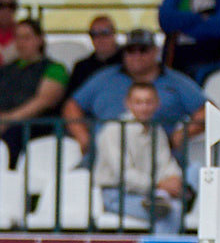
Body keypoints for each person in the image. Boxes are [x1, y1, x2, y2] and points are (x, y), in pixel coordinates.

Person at [63, 28, 204, 155]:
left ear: (155, 51)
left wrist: (181, 135)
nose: (137, 55)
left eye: (143, 49)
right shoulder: (104, 77)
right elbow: (72, 105)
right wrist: (83, 137)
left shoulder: (176, 81)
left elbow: (206, 111)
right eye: (131, 50)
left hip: (157, 155)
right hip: (105, 154)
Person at [0, 17, 68, 164]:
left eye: (26, 38)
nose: (21, 43)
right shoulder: (1, 70)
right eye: (18, 38)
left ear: (39, 40)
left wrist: (9, 119)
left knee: (13, 135)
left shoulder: (55, 69)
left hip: (30, 127)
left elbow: (43, 100)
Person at [92, 81, 185, 235]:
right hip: (116, 194)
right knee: (169, 211)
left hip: (149, 193)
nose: (144, 107)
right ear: (128, 103)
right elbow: (123, 174)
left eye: (148, 102)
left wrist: (174, 178)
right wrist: (159, 184)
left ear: (157, 104)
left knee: (188, 180)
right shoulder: (113, 130)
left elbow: (166, 163)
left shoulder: (157, 130)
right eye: (138, 102)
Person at [67, 15, 123, 96]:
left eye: (105, 33)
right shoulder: (81, 68)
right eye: (94, 34)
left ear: (114, 34)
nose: (99, 38)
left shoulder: (128, 62)